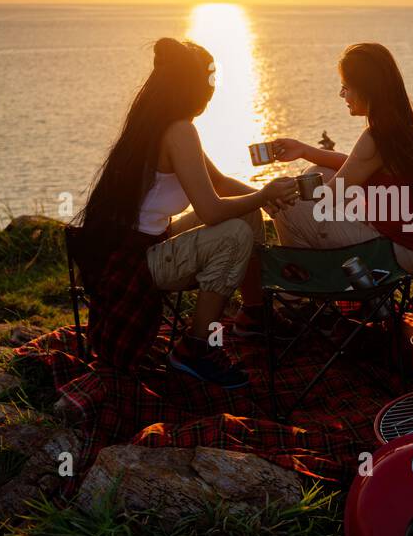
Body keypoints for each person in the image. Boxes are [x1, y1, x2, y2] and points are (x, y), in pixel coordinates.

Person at [76, 38, 298, 388]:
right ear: (194, 88)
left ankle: (253, 315)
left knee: (247, 215)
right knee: (234, 234)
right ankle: (196, 348)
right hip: (134, 262)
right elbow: (210, 211)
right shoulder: (180, 131)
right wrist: (264, 195)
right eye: (209, 83)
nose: (211, 92)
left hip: (133, 247)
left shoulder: (158, 123)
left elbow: (221, 183)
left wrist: (264, 197)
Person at [268, 42, 413, 271]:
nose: (341, 94)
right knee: (316, 173)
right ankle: (316, 276)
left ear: (366, 88)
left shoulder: (377, 136)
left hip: (398, 251)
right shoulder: (395, 124)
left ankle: (303, 284)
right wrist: (304, 150)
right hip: (409, 239)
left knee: (288, 209)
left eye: (345, 87)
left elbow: (326, 198)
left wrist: (274, 195)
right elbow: (354, 165)